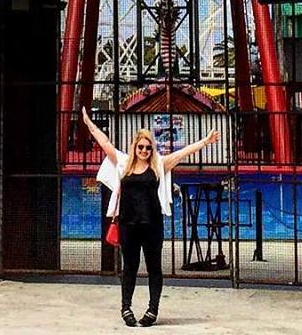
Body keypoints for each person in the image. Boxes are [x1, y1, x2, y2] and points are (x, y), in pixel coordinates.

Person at [82, 106, 220, 327]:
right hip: (128, 225)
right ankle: (126, 307)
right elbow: (104, 143)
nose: (144, 150)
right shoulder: (124, 163)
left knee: (154, 267)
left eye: (148, 147)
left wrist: (205, 141)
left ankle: (152, 309)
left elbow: (183, 153)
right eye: (141, 147)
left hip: (152, 225)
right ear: (135, 147)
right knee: (130, 267)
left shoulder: (158, 165)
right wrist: (89, 124)